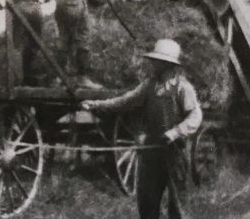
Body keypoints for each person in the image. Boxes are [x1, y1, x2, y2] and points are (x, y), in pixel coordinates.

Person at [81, 39, 203, 219]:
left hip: (174, 153)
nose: (152, 64)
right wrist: (96, 105)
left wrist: (175, 132)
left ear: (167, 64)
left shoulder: (183, 88)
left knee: (177, 205)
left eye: (157, 61)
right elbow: (126, 101)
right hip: (151, 151)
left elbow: (195, 116)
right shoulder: (149, 85)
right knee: (147, 202)